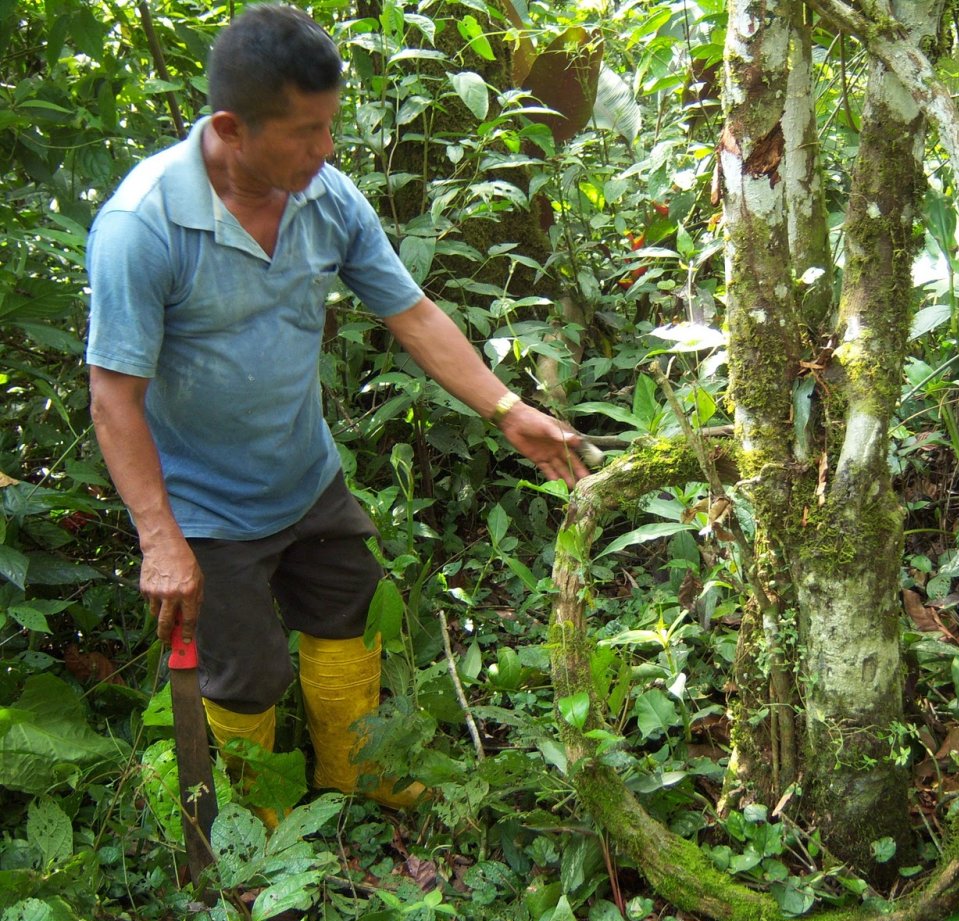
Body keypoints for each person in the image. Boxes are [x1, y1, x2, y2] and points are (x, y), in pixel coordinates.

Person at [86, 3, 588, 812]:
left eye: (331, 127)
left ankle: (355, 774)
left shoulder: (325, 196)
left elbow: (412, 312)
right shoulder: (141, 226)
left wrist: (506, 408)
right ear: (232, 127)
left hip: (307, 476)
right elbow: (114, 395)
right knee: (246, 674)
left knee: (350, 617)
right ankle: (260, 824)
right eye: (306, 131)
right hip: (204, 509)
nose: (327, 150)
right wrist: (159, 536)